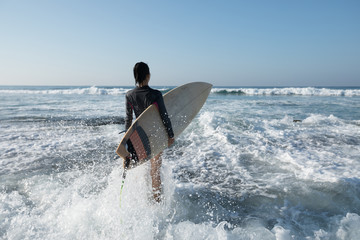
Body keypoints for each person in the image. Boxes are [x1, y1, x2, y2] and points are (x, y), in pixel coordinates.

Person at [124, 62, 175, 202]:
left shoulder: (129, 95)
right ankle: (156, 200)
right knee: (155, 168)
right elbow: (164, 116)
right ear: (148, 75)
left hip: (139, 137)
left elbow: (128, 120)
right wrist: (170, 135)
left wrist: (126, 142)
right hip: (157, 135)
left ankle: (142, 197)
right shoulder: (155, 94)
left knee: (143, 166)